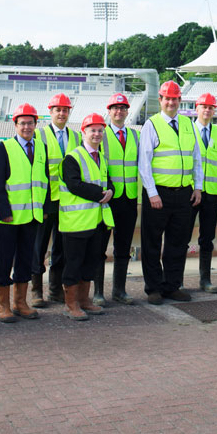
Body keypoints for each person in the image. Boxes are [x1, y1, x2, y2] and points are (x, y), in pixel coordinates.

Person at [137, 80, 202, 305]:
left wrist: (198, 187)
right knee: (152, 243)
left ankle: (172, 286)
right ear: (160, 100)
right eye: (167, 98)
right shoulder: (151, 125)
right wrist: (152, 193)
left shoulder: (188, 124)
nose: (171, 102)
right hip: (159, 194)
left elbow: (196, 159)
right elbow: (144, 163)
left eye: (174, 99)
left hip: (184, 193)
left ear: (179, 100)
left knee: (178, 242)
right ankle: (153, 288)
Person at [0, 103, 49, 323]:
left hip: (32, 216)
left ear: (35, 124)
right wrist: (4, 211)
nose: (27, 127)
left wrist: (43, 209)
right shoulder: (3, 148)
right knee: (4, 261)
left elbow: (44, 180)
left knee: (25, 260)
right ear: (15, 125)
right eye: (22, 123)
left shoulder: (41, 147)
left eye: (30, 123)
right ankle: (3, 304)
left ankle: (20, 302)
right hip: (10, 217)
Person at [59, 113, 114, 320]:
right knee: (74, 264)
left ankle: (84, 300)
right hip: (76, 222)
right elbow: (74, 185)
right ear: (84, 132)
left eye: (100, 130)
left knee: (91, 262)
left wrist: (111, 190)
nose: (97, 134)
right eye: (93, 130)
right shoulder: (72, 157)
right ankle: (71, 304)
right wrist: (101, 193)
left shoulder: (101, 158)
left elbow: (107, 181)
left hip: (97, 221)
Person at [31, 93, 81, 307]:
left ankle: (55, 289)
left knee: (62, 247)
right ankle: (36, 290)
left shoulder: (76, 137)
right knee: (39, 246)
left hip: (68, 201)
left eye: (65, 110)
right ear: (50, 112)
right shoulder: (39, 135)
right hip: (46, 199)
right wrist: (40, 202)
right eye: (58, 110)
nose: (62, 113)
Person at [98, 93, 140, 305]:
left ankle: (119, 290)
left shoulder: (135, 135)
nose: (119, 111)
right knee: (100, 247)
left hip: (129, 198)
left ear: (127, 111)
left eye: (123, 108)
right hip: (107, 199)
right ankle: (98, 292)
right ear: (109, 111)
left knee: (123, 248)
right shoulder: (100, 134)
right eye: (115, 107)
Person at [188, 92, 217, 293]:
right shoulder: (187, 130)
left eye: (211, 107)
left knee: (207, 238)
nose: (207, 110)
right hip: (190, 192)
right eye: (204, 106)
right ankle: (177, 280)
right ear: (197, 108)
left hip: (211, 193)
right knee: (183, 237)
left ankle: (205, 279)